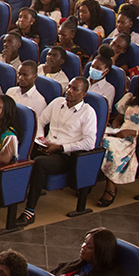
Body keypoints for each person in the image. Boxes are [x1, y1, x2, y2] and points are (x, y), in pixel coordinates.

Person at [16, 77, 97, 227]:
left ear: (83, 94)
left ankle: (29, 211)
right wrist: (41, 138)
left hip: (66, 155)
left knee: (39, 163)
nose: (69, 91)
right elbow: (40, 121)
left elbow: (89, 143)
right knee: (20, 150)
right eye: (69, 87)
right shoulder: (57, 102)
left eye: (75, 89)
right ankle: (11, 195)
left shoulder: (88, 113)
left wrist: (60, 147)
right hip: (46, 146)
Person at [97, 70, 139, 207]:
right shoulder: (131, 99)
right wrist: (115, 129)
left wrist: (132, 132)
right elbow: (118, 119)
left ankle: (110, 188)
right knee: (96, 139)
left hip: (134, 138)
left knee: (107, 144)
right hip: (120, 133)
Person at [51, 228, 122, 276]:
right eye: (85, 242)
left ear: (99, 252)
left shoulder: (108, 274)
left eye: (89, 246)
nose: (83, 247)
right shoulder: (78, 264)